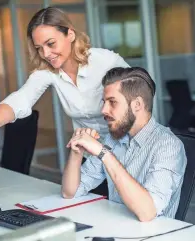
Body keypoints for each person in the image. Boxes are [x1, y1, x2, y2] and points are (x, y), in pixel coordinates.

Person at [0, 7, 129, 139]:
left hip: (127, 146)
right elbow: (21, 99)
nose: (45, 53)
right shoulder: (47, 71)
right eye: (39, 48)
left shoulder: (105, 61)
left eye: (51, 44)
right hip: (91, 153)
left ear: (70, 35)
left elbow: (141, 94)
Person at [62, 67, 187, 221]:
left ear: (137, 105)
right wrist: (77, 152)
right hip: (116, 226)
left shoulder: (168, 146)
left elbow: (147, 212)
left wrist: (103, 153)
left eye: (112, 102)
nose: (104, 110)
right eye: (104, 102)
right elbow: (70, 192)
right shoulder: (112, 139)